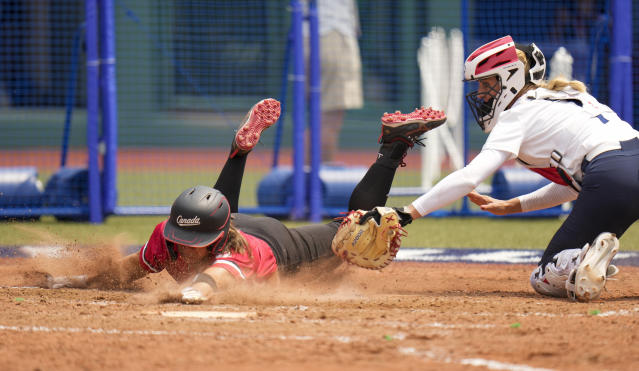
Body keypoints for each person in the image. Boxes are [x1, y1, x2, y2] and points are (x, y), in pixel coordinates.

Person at [56, 98, 446, 303]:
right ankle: (238, 152)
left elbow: (213, 279)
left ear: (215, 240)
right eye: (182, 241)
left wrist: (192, 292)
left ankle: (394, 146)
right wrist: (79, 281)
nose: (186, 251)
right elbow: (130, 268)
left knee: (350, 227)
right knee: (218, 210)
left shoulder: (239, 251)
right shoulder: (170, 235)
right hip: (230, 222)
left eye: (197, 245)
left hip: (279, 246)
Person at [395, 35, 639, 301]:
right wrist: (514, 205)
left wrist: (406, 213)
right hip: (617, 166)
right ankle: (586, 257)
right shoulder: (572, 95)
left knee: (543, 277)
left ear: (510, 79)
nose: (480, 94)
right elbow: (579, 184)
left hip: (610, 175)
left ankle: (580, 259)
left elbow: (469, 177)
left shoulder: (517, 115)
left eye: (487, 83)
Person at [314, 0, 364, 163]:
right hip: (332, 31)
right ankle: (318, 178)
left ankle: (310, 178)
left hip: (327, 31)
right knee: (329, 115)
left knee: (325, 115)